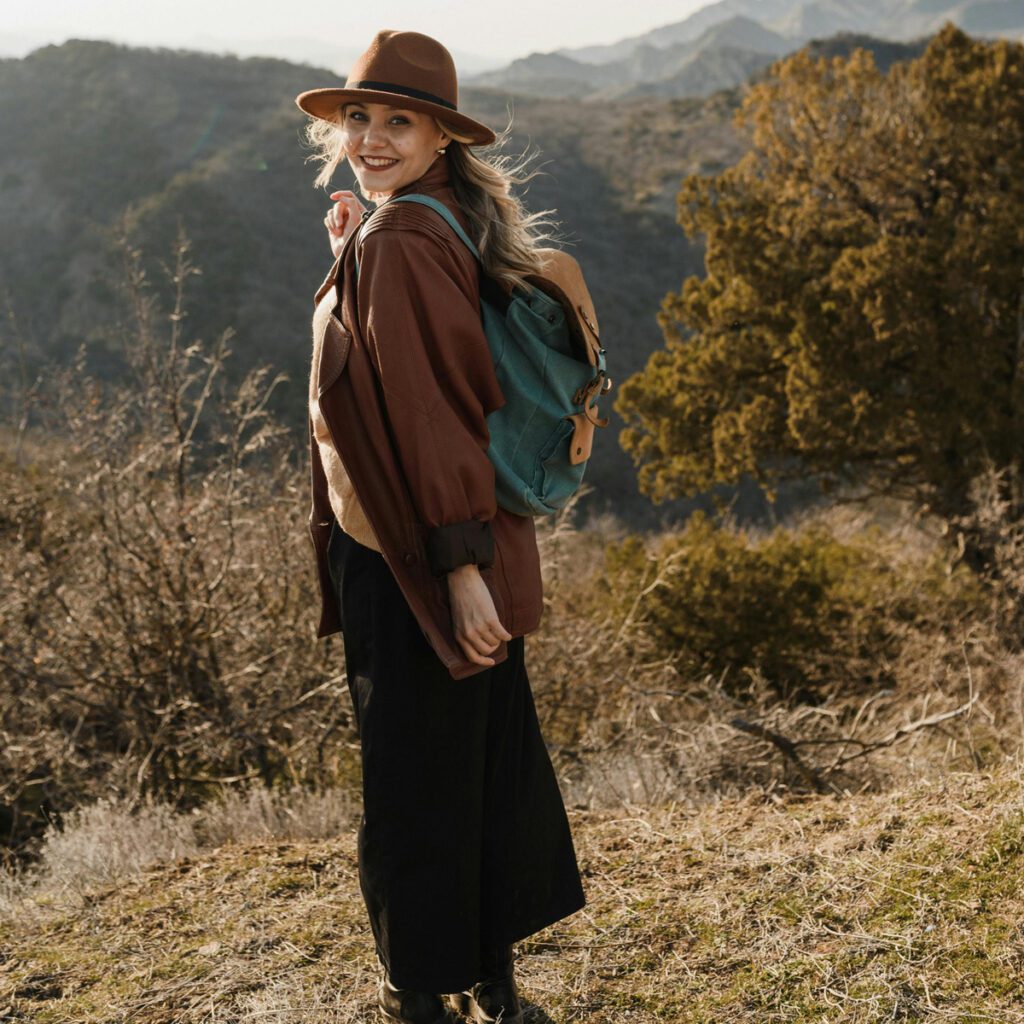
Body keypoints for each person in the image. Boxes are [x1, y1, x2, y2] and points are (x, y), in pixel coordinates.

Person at [295, 29, 588, 1024]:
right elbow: (414, 359)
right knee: (479, 760)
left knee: (416, 774)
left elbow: (427, 414)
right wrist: (350, 257)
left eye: (397, 121)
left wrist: (457, 572)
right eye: (359, 118)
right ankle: (496, 987)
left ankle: (418, 994)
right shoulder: (436, 218)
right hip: (474, 540)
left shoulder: (400, 242)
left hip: (416, 553)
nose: (370, 137)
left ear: (439, 137)